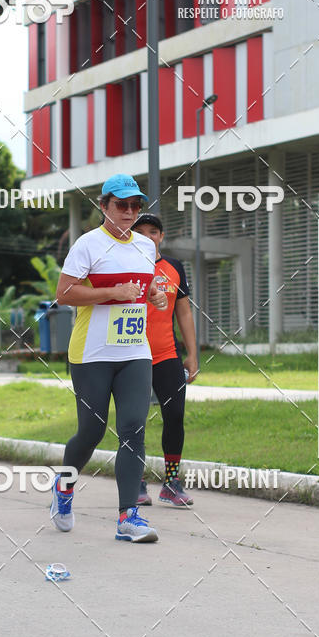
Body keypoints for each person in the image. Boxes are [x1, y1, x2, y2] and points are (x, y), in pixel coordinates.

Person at [52, 174, 168, 542]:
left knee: (134, 427)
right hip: (92, 354)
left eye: (135, 206)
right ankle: (65, 487)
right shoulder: (88, 245)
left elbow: (147, 287)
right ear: (104, 207)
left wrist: (156, 296)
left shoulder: (146, 247)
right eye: (121, 205)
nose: (129, 212)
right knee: (92, 431)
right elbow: (64, 294)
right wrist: (111, 292)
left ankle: (127, 517)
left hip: (135, 351)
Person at [132, 213, 198, 507]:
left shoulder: (174, 268)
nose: (147, 236)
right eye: (141, 231)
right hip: (131, 354)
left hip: (166, 354)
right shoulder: (122, 265)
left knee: (175, 417)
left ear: (161, 236)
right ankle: (136, 481)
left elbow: (183, 312)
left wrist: (192, 353)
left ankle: (171, 483)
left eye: (153, 231)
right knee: (134, 421)